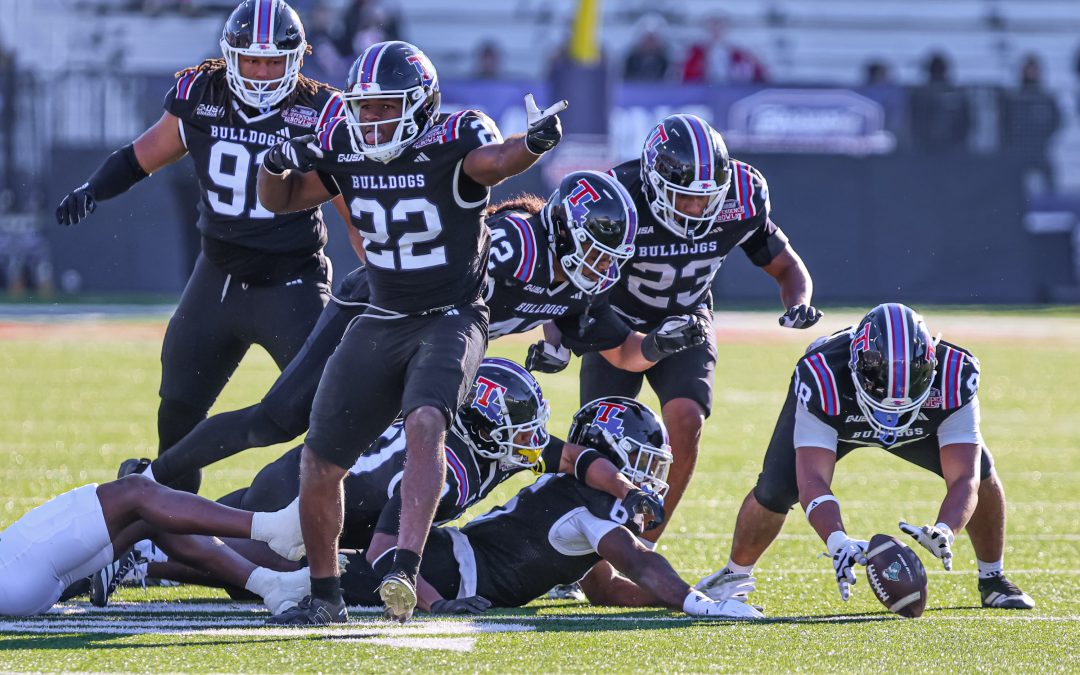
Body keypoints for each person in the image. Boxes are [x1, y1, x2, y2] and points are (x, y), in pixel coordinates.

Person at [132, 170, 706, 501]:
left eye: (612, 259)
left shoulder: (576, 285)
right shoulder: (509, 248)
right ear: (561, 232)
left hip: (422, 343)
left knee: (358, 460)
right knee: (278, 419)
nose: (602, 268)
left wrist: (664, 344)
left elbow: (625, 354)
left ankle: (213, 532)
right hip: (378, 311)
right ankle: (152, 485)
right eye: (596, 252)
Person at [255, 39, 567, 624]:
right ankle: (326, 596)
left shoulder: (453, 140)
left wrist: (534, 145)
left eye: (384, 106)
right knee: (321, 461)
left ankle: (403, 564)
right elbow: (283, 200)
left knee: (427, 420)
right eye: (364, 107)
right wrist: (275, 163)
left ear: (421, 104)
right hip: (384, 314)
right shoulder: (347, 144)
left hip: (452, 313)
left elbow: (495, 162)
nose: (369, 118)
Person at [54, 0, 350, 494]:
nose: (259, 73)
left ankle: (336, 518)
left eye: (272, 61)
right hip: (215, 278)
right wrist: (93, 188)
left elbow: (349, 200)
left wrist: (378, 272)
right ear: (229, 56)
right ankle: (172, 530)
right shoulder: (200, 93)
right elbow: (141, 156)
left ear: (296, 59)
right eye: (250, 60)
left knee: (331, 407)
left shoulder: (321, 110)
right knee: (177, 413)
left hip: (291, 282)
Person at [580, 113, 819, 543]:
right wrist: (561, 336)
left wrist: (798, 301)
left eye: (704, 199)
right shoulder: (620, 197)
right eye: (684, 197)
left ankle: (644, 542)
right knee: (600, 437)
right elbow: (577, 277)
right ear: (653, 181)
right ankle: (579, 553)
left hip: (686, 321)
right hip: (618, 324)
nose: (695, 208)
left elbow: (786, 266)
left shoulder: (741, 199)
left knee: (686, 421)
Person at [705, 304, 1035, 610]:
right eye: (883, 387)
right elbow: (813, 481)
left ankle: (993, 578)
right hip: (841, 415)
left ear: (931, 370)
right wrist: (837, 540)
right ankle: (732, 577)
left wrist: (947, 528)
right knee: (776, 488)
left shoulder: (955, 375)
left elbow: (965, 478)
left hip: (922, 421)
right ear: (856, 366)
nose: (895, 404)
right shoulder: (822, 376)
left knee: (983, 473)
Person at [339, 397, 762, 620]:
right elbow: (640, 563)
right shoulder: (588, 505)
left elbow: (607, 589)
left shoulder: (577, 501)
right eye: (642, 462)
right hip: (444, 573)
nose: (647, 478)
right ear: (611, 452)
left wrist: (694, 594)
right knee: (296, 578)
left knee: (306, 573)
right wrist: (696, 602)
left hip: (449, 564)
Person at [0, 474, 308, 616]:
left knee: (149, 519)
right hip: (16, 564)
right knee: (135, 491)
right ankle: (273, 527)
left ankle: (269, 585)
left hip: (22, 576)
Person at [999, 54, 1062, 194]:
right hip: (1016, 149)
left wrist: (1043, 138)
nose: (1031, 72)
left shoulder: (1046, 97)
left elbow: (1056, 121)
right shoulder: (1012, 97)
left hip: (1039, 149)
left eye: (1034, 69)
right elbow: (1003, 121)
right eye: (1028, 69)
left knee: (1049, 182)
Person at [681, 16, 766, 85]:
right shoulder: (696, 53)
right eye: (713, 29)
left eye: (719, 29)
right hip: (704, 90)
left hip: (730, 89)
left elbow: (757, 73)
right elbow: (687, 75)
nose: (716, 33)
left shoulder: (738, 54)